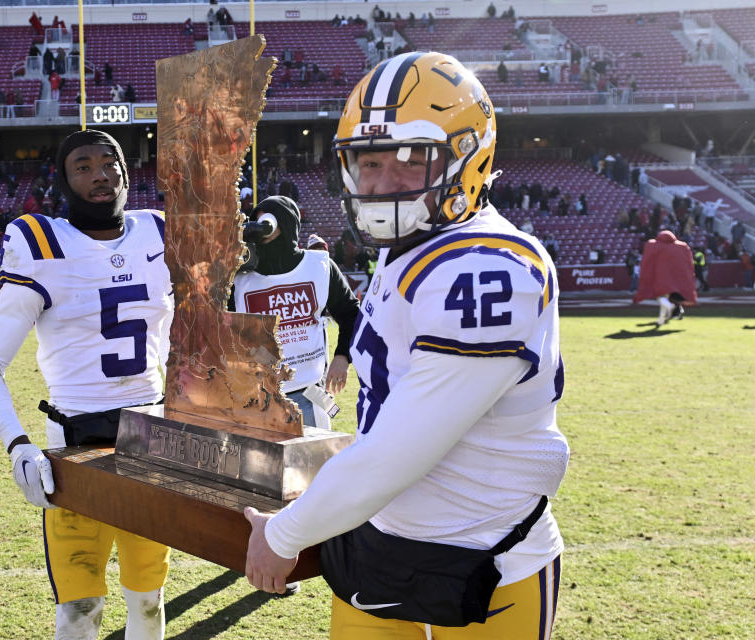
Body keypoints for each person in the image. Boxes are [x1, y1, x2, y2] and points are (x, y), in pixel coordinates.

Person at [244, 52, 569, 640]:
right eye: (369, 162)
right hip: (378, 545)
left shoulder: (488, 267)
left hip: (486, 564)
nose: (382, 183)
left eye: (411, 160)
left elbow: (402, 449)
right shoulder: (410, 246)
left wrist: (283, 533)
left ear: (468, 157)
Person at [0, 130, 173, 640]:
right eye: (83, 166)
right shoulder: (40, 243)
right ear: (64, 180)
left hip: (151, 434)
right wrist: (18, 445)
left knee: (148, 601)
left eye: (110, 162)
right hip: (72, 440)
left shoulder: (159, 232)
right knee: (79, 608)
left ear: (127, 172)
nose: (99, 174)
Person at [231, 196, 359, 430]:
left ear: (287, 224)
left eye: (267, 223)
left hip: (308, 392)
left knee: (314, 464)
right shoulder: (238, 279)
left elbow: (351, 312)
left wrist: (342, 356)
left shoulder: (319, 266)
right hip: (257, 399)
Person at [634, 230, 698, 327]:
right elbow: (687, 263)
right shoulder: (681, 247)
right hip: (674, 278)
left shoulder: (653, 245)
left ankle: (670, 308)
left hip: (660, 277)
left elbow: (647, 261)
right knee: (665, 297)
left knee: (661, 296)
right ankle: (662, 319)